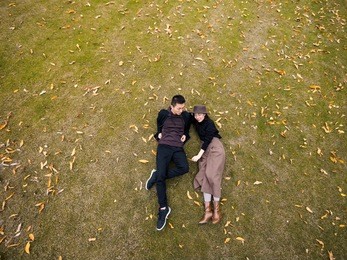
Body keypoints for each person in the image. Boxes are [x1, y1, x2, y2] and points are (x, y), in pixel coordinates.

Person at [145, 95, 192, 231]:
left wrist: (185, 136)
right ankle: (164, 208)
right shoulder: (163, 114)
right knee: (161, 180)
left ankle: (157, 175)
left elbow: (187, 130)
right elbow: (159, 126)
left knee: (184, 168)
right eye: (179, 108)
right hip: (164, 146)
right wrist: (159, 133)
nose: (182, 110)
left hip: (177, 147)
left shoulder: (186, 116)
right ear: (172, 106)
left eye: (183, 108)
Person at [191, 105, 225, 224]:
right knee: (205, 175)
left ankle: (216, 210)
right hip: (205, 149)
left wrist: (199, 155)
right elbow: (186, 117)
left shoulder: (209, 124)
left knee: (212, 176)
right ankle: (208, 211)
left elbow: (207, 140)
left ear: (204, 114)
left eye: (200, 115)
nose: (197, 117)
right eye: (195, 115)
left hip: (214, 147)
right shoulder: (195, 120)